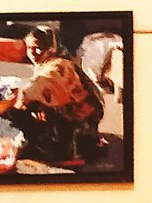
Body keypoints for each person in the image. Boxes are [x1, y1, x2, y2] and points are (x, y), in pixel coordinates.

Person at [6, 25, 106, 163]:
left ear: (51, 47)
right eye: (29, 48)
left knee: (17, 113)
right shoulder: (47, 64)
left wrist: (18, 100)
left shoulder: (60, 65)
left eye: (38, 47)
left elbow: (42, 85)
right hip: (68, 115)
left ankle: (63, 151)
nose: (33, 52)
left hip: (80, 124)